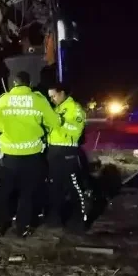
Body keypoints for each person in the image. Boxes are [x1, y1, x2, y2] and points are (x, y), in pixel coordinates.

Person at [0, 71, 59, 237]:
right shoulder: (38, 100)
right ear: (30, 83)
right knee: (28, 193)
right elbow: (54, 123)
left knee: (4, 193)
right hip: (31, 156)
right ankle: (23, 227)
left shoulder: (4, 99)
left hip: (9, 157)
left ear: (14, 84)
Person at [45, 82, 87, 230]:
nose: (52, 100)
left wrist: (58, 122)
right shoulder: (57, 109)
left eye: (54, 96)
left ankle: (80, 220)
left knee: (74, 186)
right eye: (50, 97)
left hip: (67, 151)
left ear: (62, 93)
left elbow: (76, 130)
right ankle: (55, 220)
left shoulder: (75, 109)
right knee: (54, 187)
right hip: (54, 150)